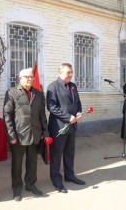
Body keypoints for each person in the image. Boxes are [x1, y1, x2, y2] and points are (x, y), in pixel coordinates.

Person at [3, 68, 49, 202]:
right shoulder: (12, 92)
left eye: (31, 77)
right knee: (17, 164)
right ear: (20, 78)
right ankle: (17, 188)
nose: (30, 79)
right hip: (19, 135)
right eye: (27, 77)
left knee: (32, 162)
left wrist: (45, 132)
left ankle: (30, 184)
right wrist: (11, 135)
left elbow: (42, 115)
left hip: (34, 134)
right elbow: (7, 115)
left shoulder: (39, 94)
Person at [46, 63, 85, 194]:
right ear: (60, 72)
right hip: (59, 126)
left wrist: (79, 112)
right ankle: (56, 180)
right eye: (68, 72)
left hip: (73, 125)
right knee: (57, 154)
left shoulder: (73, 86)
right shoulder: (53, 87)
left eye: (71, 72)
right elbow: (52, 107)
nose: (70, 74)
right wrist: (68, 117)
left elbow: (77, 102)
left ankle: (69, 175)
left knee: (69, 152)